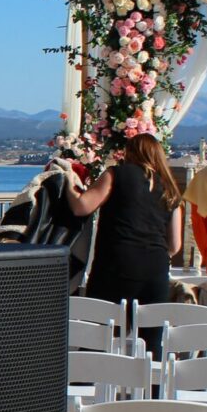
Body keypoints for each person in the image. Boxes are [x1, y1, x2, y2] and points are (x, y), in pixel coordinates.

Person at [58, 134, 183, 358]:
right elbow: (174, 245)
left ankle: (89, 387)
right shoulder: (170, 189)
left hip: (115, 267)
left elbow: (82, 207)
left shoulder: (116, 174)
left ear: (131, 152)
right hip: (155, 271)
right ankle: (150, 391)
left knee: (98, 338)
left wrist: (67, 181)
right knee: (151, 347)